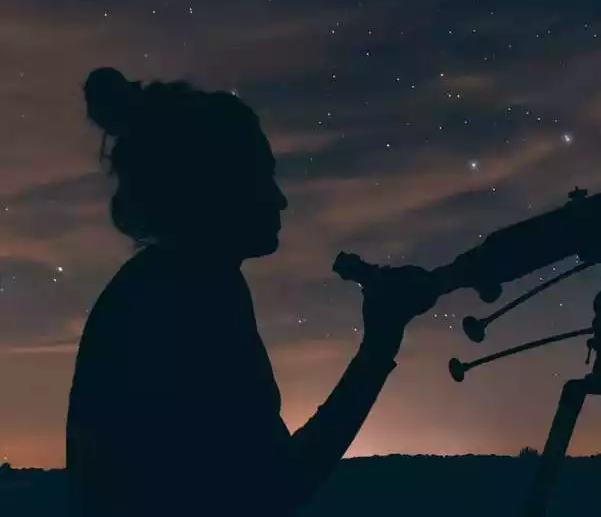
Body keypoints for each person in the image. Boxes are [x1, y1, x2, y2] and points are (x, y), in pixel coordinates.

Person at [65, 67, 440, 516]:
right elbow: (274, 486)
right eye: (264, 176)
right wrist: (379, 345)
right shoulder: (190, 297)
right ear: (216, 187)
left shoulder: (168, 284)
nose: (281, 200)